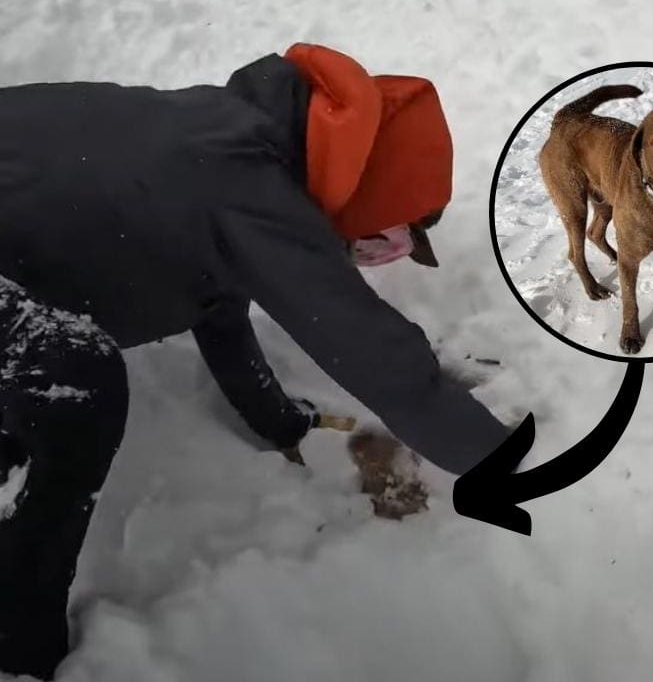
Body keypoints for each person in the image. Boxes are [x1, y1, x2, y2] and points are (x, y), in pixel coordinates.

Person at [0, 43, 511, 679]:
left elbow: (217, 301)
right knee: (78, 386)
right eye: (380, 241)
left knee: (56, 365)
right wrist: (508, 468)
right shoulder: (248, 188)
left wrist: (279, 420)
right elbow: (383, 364)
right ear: (369, 185)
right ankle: (18, 645)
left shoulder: (234, 134)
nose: (363, 255)